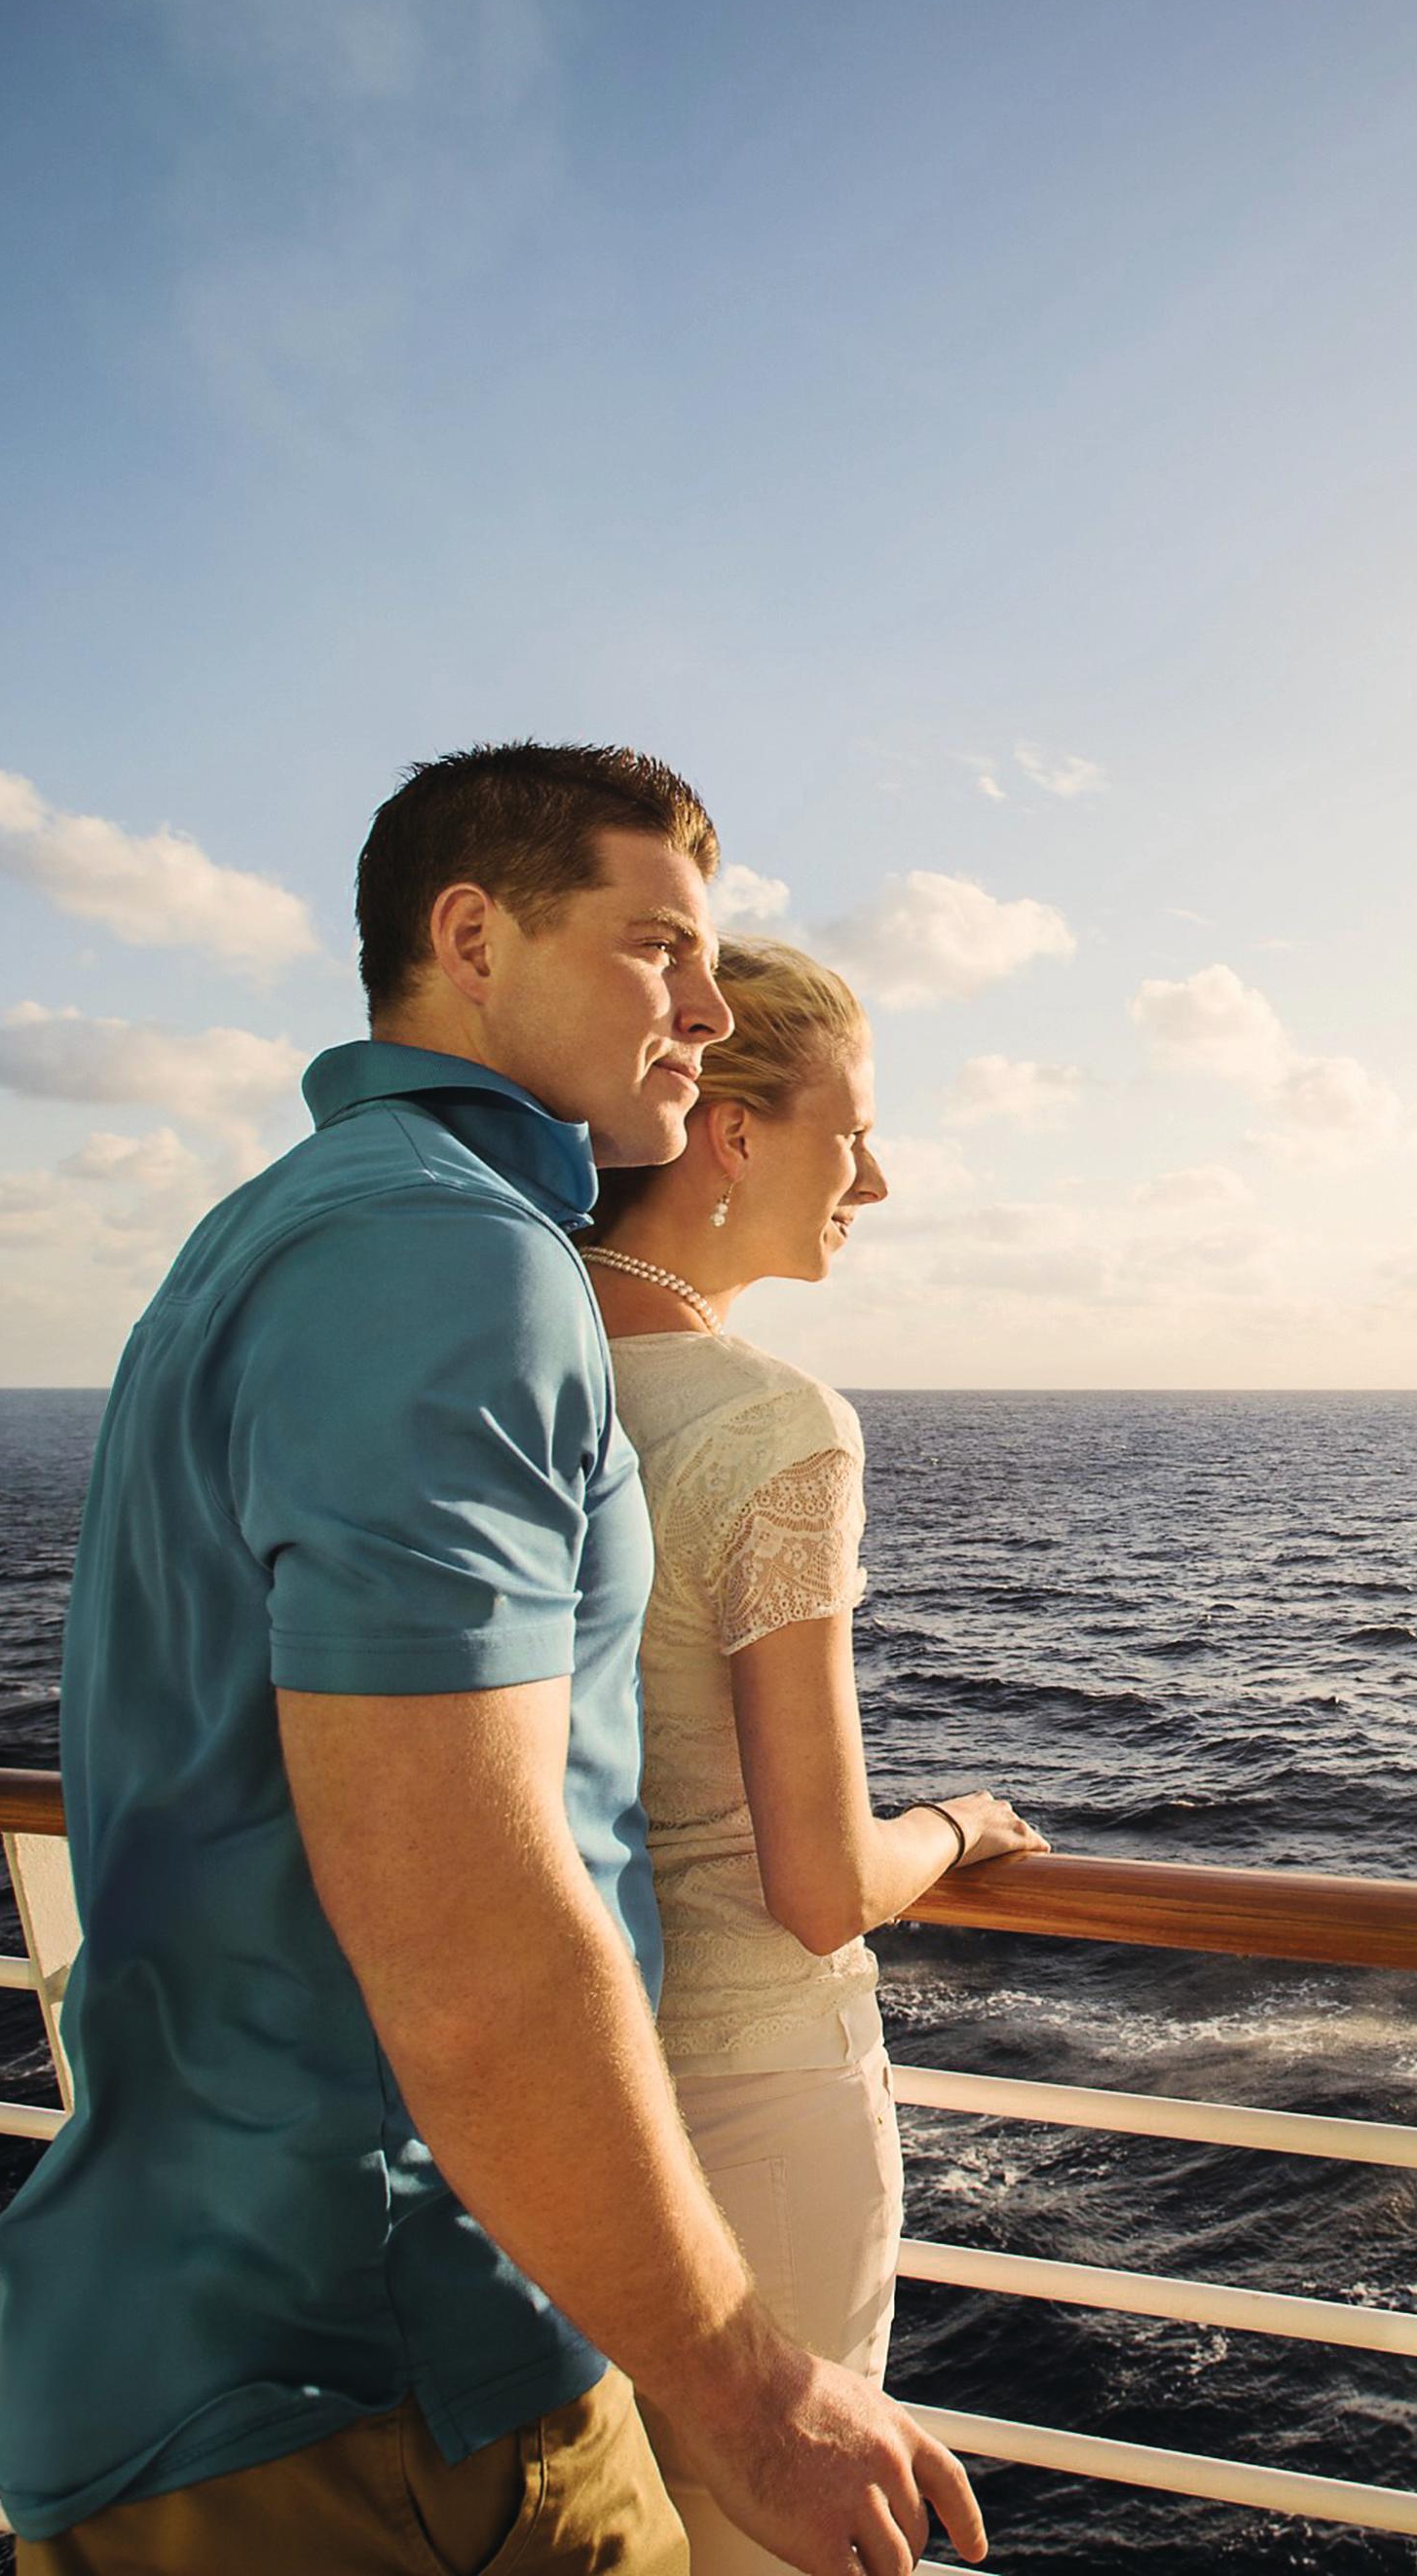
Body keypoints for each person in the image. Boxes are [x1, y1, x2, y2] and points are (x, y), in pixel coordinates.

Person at [0, 745, 984, 2576]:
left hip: (223, 2336)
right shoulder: (451, 1259)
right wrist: (750, 2390)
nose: (704, 1010)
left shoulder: (283, 1225)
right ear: (471, 940)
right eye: (658, 949)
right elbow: (469, 1926)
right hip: (376, 2382)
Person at [576, 937, 1047, 2576]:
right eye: (853, 1134)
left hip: (562, 2112)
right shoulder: (776, 1422)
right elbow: (825, 1882)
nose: (879, 1180)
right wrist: (961, 1822)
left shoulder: (510, 1371)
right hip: (755, 2112)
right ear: (732, 1132)